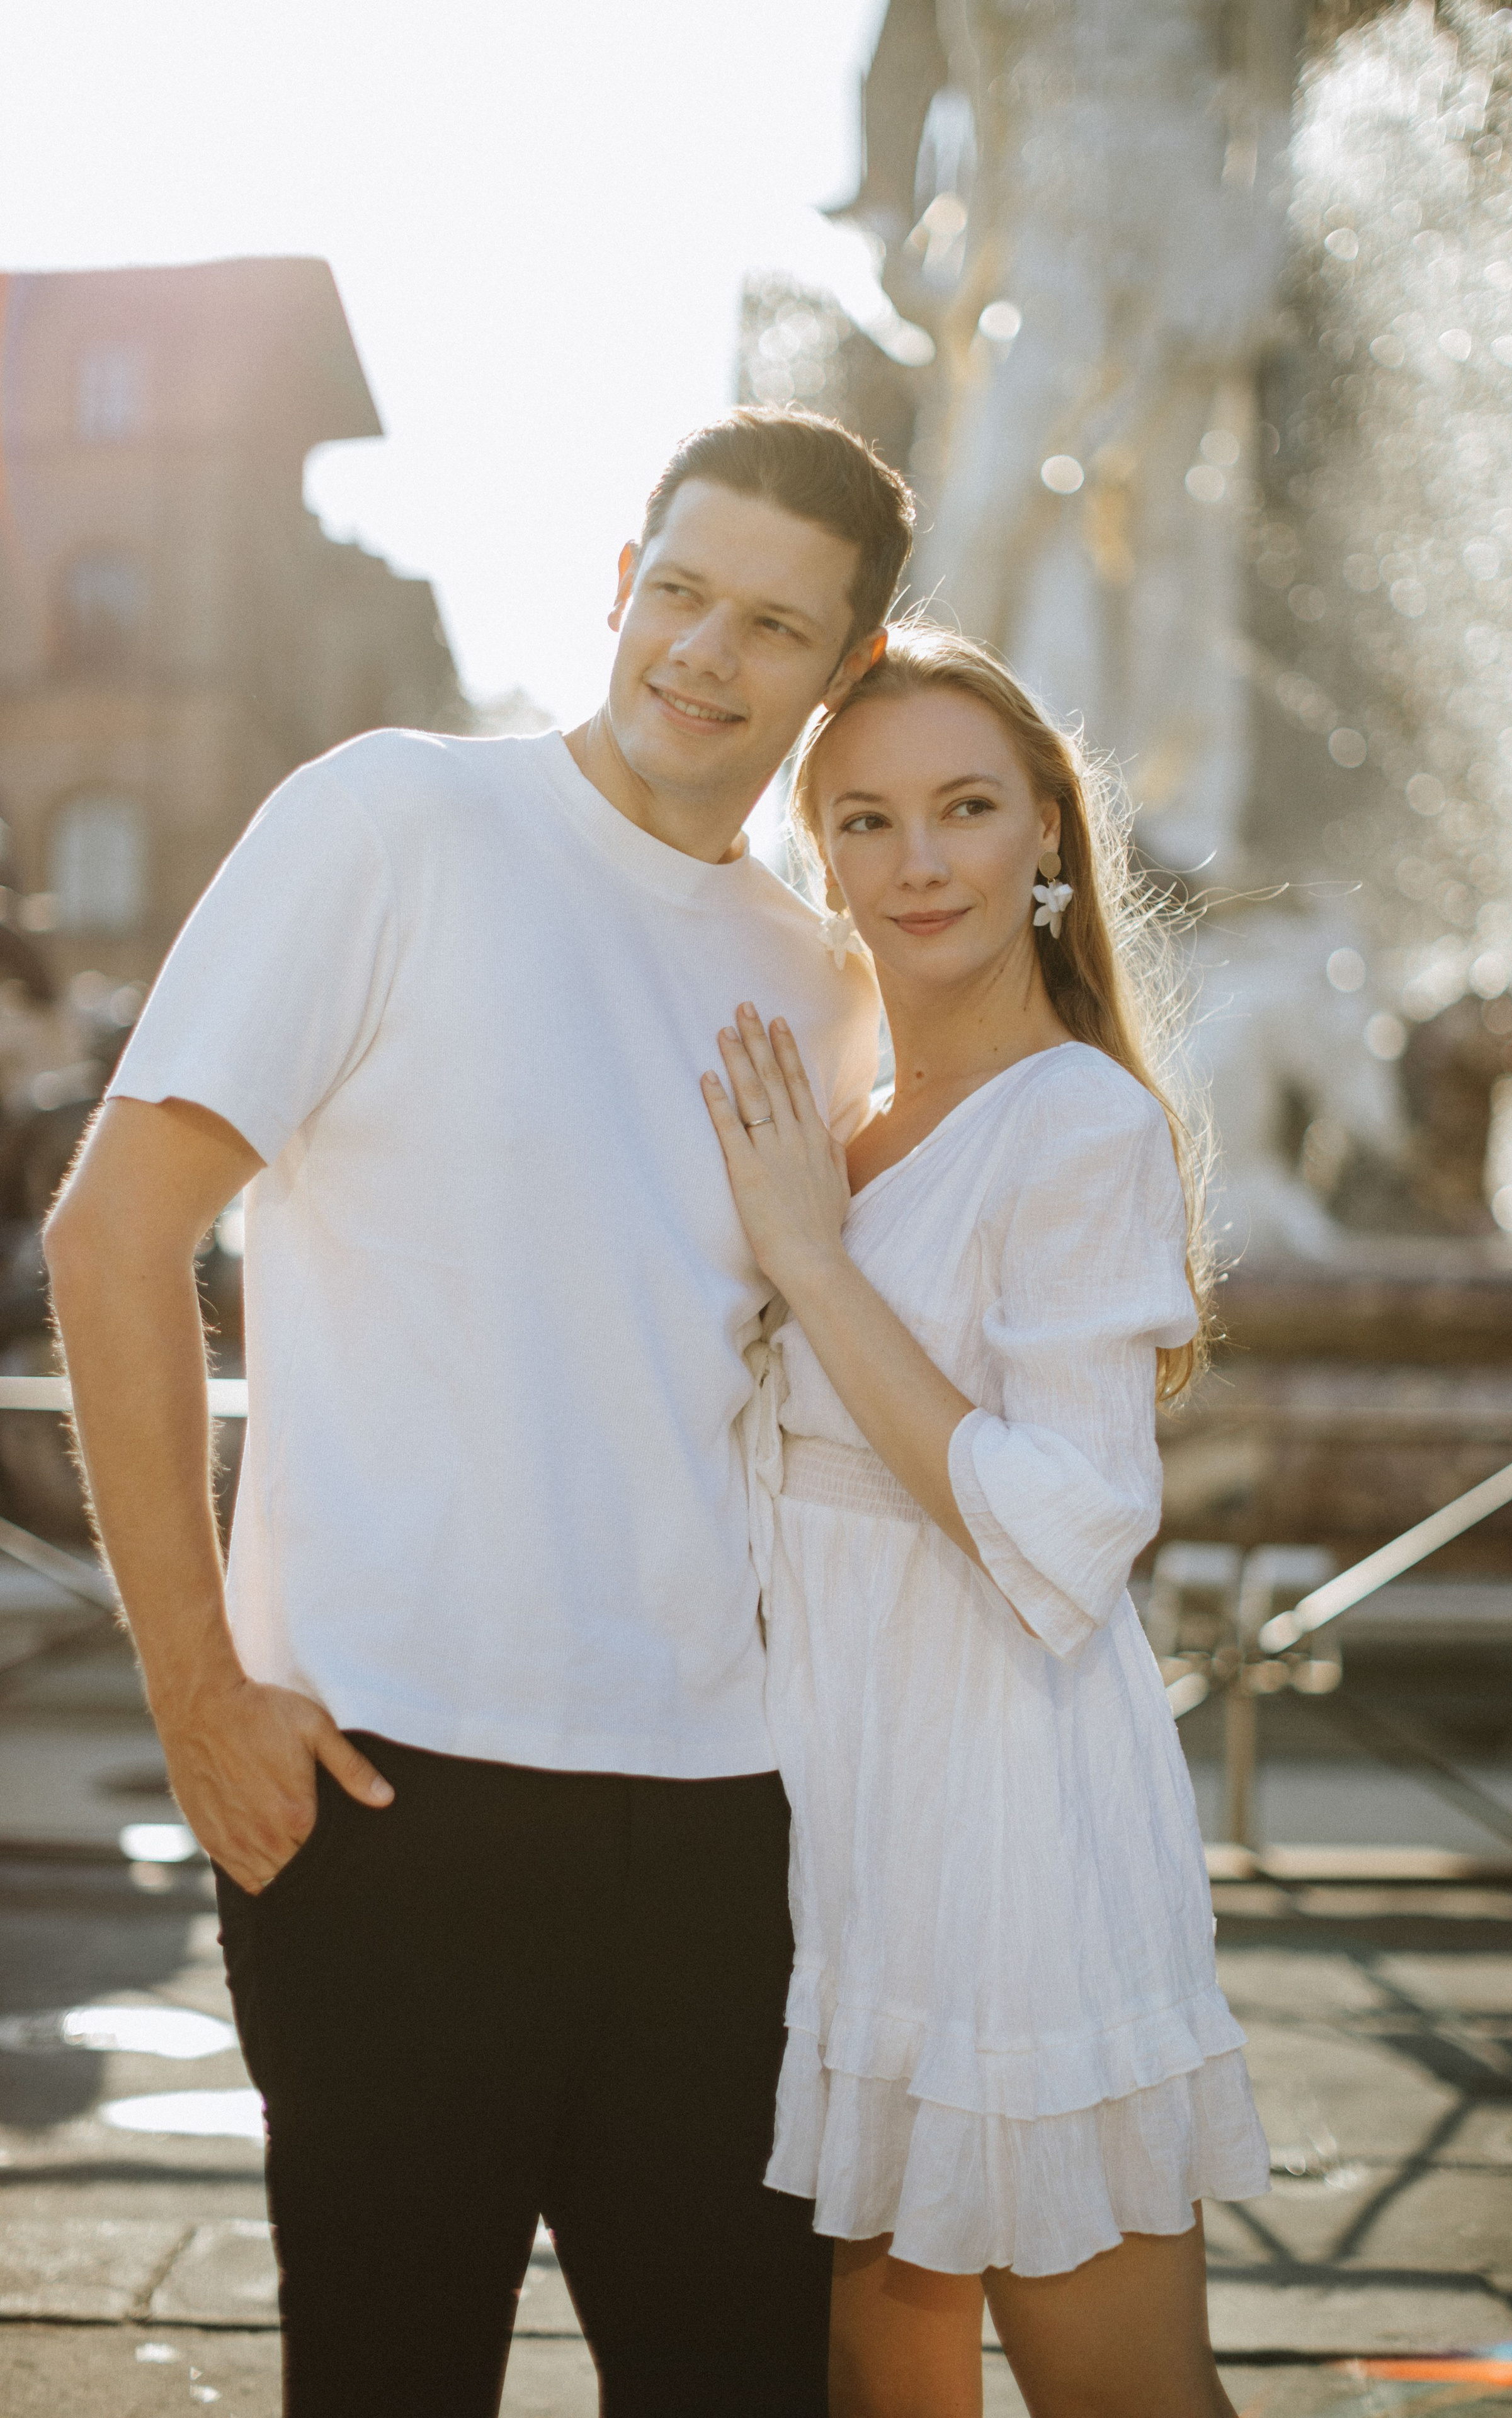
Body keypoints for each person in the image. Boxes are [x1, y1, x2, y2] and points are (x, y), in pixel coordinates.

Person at [43, 409, 913, 2418]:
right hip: (387, 1796)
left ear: (843, 675)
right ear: (620, 583)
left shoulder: (823, 973)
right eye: (680, 590)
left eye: (773, 627)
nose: (705, 652)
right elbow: (117, 1241)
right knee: (393, 2382)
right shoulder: (393, 824)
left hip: (728, 1821)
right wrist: (195, 1687)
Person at [700, 625, 1270, 2418]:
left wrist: (806, 1261)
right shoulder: (841, 1119)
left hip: (1008, 1824)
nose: (918, 861)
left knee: (1121, 2399)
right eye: (864, 821)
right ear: (822, 858)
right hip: (834, 1820)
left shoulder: (1078, 1125)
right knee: (884, 2373)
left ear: (1049, 838)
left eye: (963, 808)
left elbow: (1073, 1524)